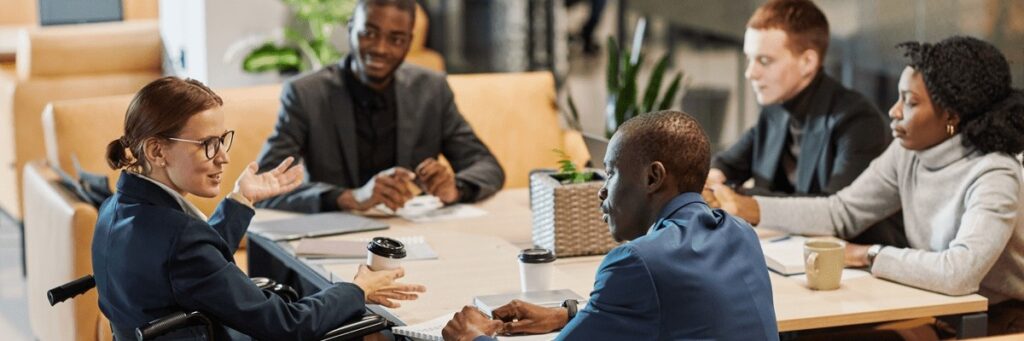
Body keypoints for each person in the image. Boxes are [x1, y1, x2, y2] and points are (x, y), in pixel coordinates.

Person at [708, 36, 1024, 335]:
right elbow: (842, 211)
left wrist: (866, 254)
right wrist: (749, 208)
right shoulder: (909, 152)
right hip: (936, 305)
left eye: (910, 102)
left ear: (951, 117)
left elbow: (959, 273)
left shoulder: (995, 174)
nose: (894, 111)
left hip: (999, 319)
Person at [93, 77, 425, 340]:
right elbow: (287, 327)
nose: (222, 156)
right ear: (156, 150)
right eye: (208, 145)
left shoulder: (117, 208)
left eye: (222, 140)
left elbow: (188, 265)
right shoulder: (180, 239)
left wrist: (241, 200)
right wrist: (357, 289)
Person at [443, 111, 779, 341]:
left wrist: (470, 336)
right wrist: (568, 315)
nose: (602, 188)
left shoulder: (638, 261)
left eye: (612, 172)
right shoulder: (741, 234)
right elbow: (673, 312)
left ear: (653, 177)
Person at [256, 0, 504, 213]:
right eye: (369, 33)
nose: (380, 48)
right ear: (352, 29)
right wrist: (349, 198)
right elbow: (264, 184)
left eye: (395, 39)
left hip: (413, 239)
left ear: (409, 42)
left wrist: (455, 188)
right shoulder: (306, 94)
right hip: (333, 241)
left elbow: (487, 166)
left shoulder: (431, 90)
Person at [709, 0, 903, 246]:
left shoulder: (858, 121)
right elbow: (727, 163)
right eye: (749, 59)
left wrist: (739, 199)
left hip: (856, 265)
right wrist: (714, 179)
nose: (751, 73)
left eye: (764, 61)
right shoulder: (775, 109)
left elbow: (831, 215)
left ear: (807, 62)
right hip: (787, 253)